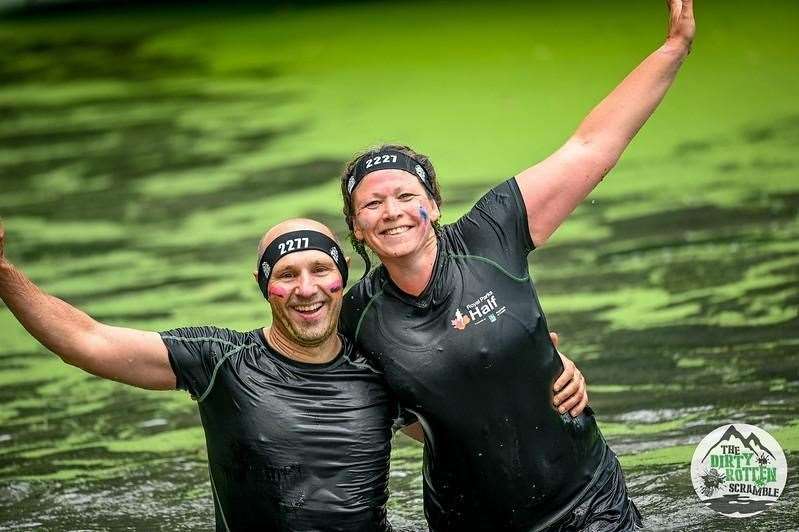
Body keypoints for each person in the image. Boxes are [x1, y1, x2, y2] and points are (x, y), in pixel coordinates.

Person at [338, 1, 696, 530]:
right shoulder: (356, 317)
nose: (391, 211)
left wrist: (673, 49)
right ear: (357, 228)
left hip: (587, 503)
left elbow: (591, 147)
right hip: (468, 520)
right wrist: (499, 377)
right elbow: (392, 417)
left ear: (433, 205)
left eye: (404, 195)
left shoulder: (491, 232)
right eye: (372, 204)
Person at [0, 218, 587, 531]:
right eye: (286, 274)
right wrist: (3, 272)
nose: (305, 289)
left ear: (342, 281)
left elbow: (464, 421)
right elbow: (87, 341)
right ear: (265, 288)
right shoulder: (219, 362)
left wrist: (543, 369)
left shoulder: (378, 369)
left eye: (320, 271)